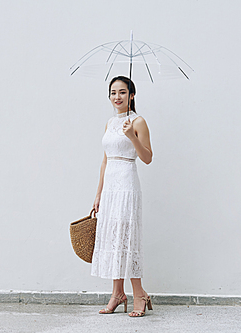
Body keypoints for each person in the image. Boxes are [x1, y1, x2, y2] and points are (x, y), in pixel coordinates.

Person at [91, 76, 153, 317]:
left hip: (127, 184)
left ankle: (139, 294)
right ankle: (117, 293)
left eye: (122, 92)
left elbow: (147, 157)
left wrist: (132, 136)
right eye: (113, 92)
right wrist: (98, 194)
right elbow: (105, 160)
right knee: (113, 237)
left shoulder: (138, 121)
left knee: (128, 238)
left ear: (132, 95)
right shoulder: (109, 122)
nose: (117, 97)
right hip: (110, 188)